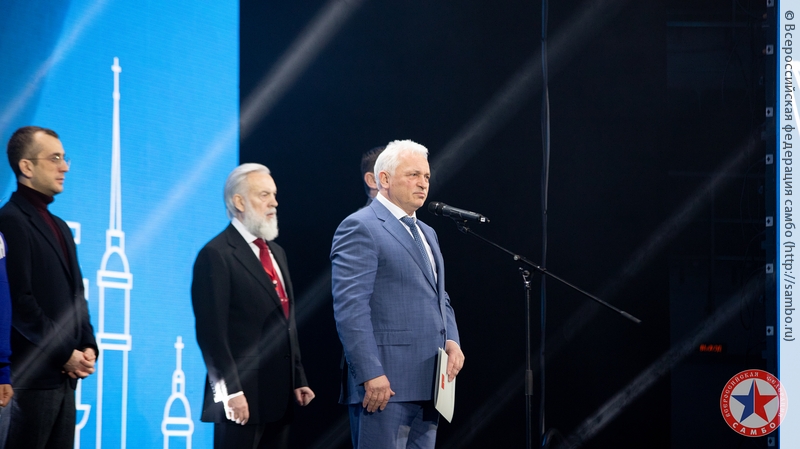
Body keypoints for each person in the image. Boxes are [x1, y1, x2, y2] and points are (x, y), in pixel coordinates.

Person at [331, 139, 465, 448]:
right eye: (413, 174)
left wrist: (452, 340)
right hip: (384, 386)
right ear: (384, 179)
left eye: (426, 176)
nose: (423, 183)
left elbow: (439, 296)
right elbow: (351, 309)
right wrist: (370, 373)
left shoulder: (427, 232)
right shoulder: (360, 226)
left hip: (429, 384)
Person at [191, 163, 314, 449]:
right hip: (240, 399)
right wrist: (230, 391)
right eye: (264, 195)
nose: (274, 202)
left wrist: (297, 377)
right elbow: (211, 335)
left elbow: (286, 321)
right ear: (239, 202)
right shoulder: (216, 254)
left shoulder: (277, 253)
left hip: (279, 396)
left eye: (274, 194)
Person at [0, 126, 97, 449]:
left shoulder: (61, 227)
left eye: (64, 158)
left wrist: (87, 344)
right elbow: (19, 304)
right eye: (54, 158)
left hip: (64, 379)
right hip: (30, 380)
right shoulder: (10, 221)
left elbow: (77, 296)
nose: (65, 166)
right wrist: (65, 353)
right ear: (26, 167)